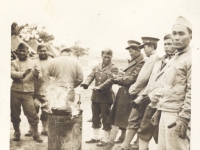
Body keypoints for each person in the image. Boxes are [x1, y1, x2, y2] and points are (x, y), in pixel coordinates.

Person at [97, 40, 145, 149]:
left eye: (132, 51)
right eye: (129, 51)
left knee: (133, 119)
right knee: (119, 116)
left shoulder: (141, 62)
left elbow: (131, 79)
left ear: (138, 50)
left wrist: (117, 79)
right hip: (125, 92)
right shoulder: (134, 61)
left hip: (132, 94)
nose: (130, 53)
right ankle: (117, 139)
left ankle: (131, 142)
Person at [154, 16, 191, 150]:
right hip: (165, 112)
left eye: (181, 34)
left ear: (190, 36)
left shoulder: (192, 58)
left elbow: (193, 91)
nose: (176, 37)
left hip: (178, 115)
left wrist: (184, 118)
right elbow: (166, 87)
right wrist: (158, 110)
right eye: (174, 33)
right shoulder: (174, 58)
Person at [116, 37, 160, 150]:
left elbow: (143, 79)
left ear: (151, 47)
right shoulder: (153, 58)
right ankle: (133, 144)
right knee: (140, 120)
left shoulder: (152, 59)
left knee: (134, 119)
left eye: (144, 47)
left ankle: (127, 145)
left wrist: (133, 90)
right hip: (147, 93)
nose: (143, 49)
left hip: (143, 94)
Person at [133, 34, 176, 150]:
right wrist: (141, 97)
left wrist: (151, 96)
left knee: (161, 135)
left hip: (166, 104)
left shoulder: (177, 62)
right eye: (165, 44)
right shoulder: (159, 61)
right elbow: (151, 82)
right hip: (152, 102)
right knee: (144, 129)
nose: (167, 47)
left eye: (170, 44)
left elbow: (169, 86)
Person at [81, 49, 119, 146]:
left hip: (106, 97)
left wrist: (100, 87)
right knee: (95, 116)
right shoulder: (97, 66)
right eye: (105, 57)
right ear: (101, 56)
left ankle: (106, 139)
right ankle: (95, 137)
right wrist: (86, 83)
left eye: (109, 57)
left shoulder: (114, 68)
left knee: (106, 117)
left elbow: (111, 80)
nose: (106, 59)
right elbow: (90, 76)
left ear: (111, 57)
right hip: (96, 96)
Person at [11, 43, 43, 143]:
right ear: (16, 52)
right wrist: (23, 74)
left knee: (32, 113)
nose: (21, 53)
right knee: (15, 114)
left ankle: (36, 133)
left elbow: (40, 76)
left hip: (28, 92)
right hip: (15, 91)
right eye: (20, 51)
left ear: (27, 52)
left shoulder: (33, 63)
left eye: (24, 51)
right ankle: (17, 133)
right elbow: (11, 73)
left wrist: (37, 74)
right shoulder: (13, 62)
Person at [25, 44, 52, 137]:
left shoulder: (52, 61)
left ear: (47, 51)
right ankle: (31, 129)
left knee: (46, 110)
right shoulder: (32, 61)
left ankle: (45, 129)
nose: (43, 52)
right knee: (32, 110)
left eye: (45, 50)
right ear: (37, 51)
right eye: (41, 51)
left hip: (47, 90)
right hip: (34, 90)